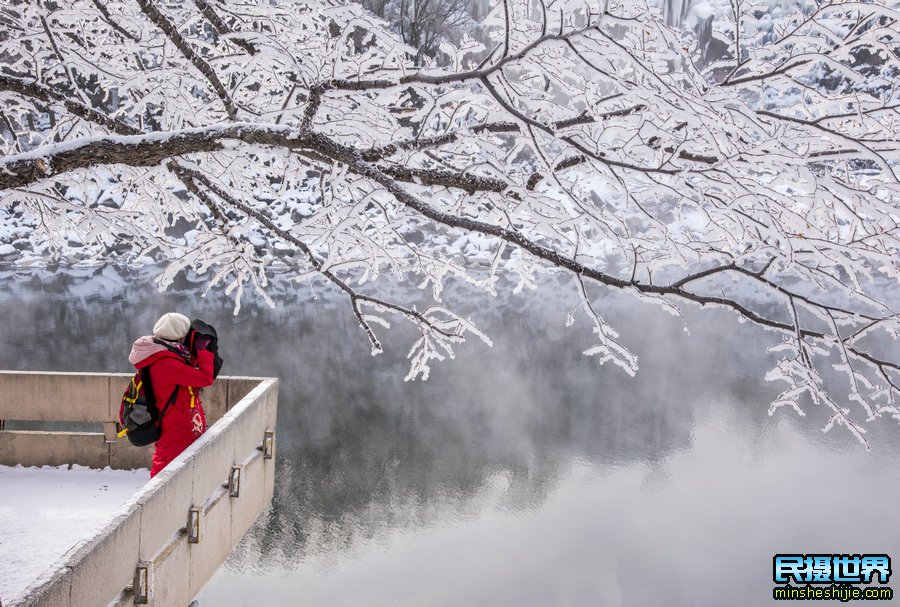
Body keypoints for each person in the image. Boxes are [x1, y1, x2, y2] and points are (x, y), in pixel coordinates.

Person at [128, 312, 215, 477]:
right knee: (166, 468)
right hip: (175, 426)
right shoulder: (166, 363)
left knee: (172, 464)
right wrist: (203, 351)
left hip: (175, 421)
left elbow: (185, 371)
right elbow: (205, 378)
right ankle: (156, 500)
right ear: (180, 337)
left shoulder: (163, 353)